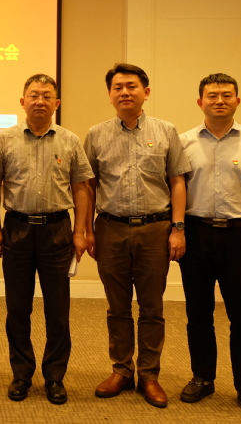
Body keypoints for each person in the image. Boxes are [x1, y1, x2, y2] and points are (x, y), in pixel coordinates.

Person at [83, 63, 190, 408]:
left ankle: (149, 375)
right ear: (109, 95)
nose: (124, 92)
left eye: (131, 86)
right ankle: (121, 370)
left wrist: (178, 229)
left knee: (151, 306)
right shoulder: (96, 135)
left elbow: (177, 181)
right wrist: (86, 229)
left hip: (155, 229)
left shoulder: (166, 131)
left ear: (146, 92)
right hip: (110, 228)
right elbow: (88, 186)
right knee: (117, 306)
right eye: (118, 87)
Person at [178, 73, 241, 419]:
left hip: (240, 236)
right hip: (196, 234)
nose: (219, 100)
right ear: (200, 102)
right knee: (198, 314)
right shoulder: (184, 142)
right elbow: (175, 190)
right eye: (212, 95)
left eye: (226, 95)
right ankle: (203, 378)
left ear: (237, 100)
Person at [0, 73, 93, 405]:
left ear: (56, 103)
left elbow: (81, 188)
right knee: (18, 308)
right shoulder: (4, 140)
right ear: (22, 101)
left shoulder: (70, 140)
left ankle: (54, 377)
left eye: (47, 96)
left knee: (57, 309)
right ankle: (21, 374)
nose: (40, 101)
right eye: (33, 95)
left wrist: (80, 231)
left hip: (57, 230)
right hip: (16, 227)